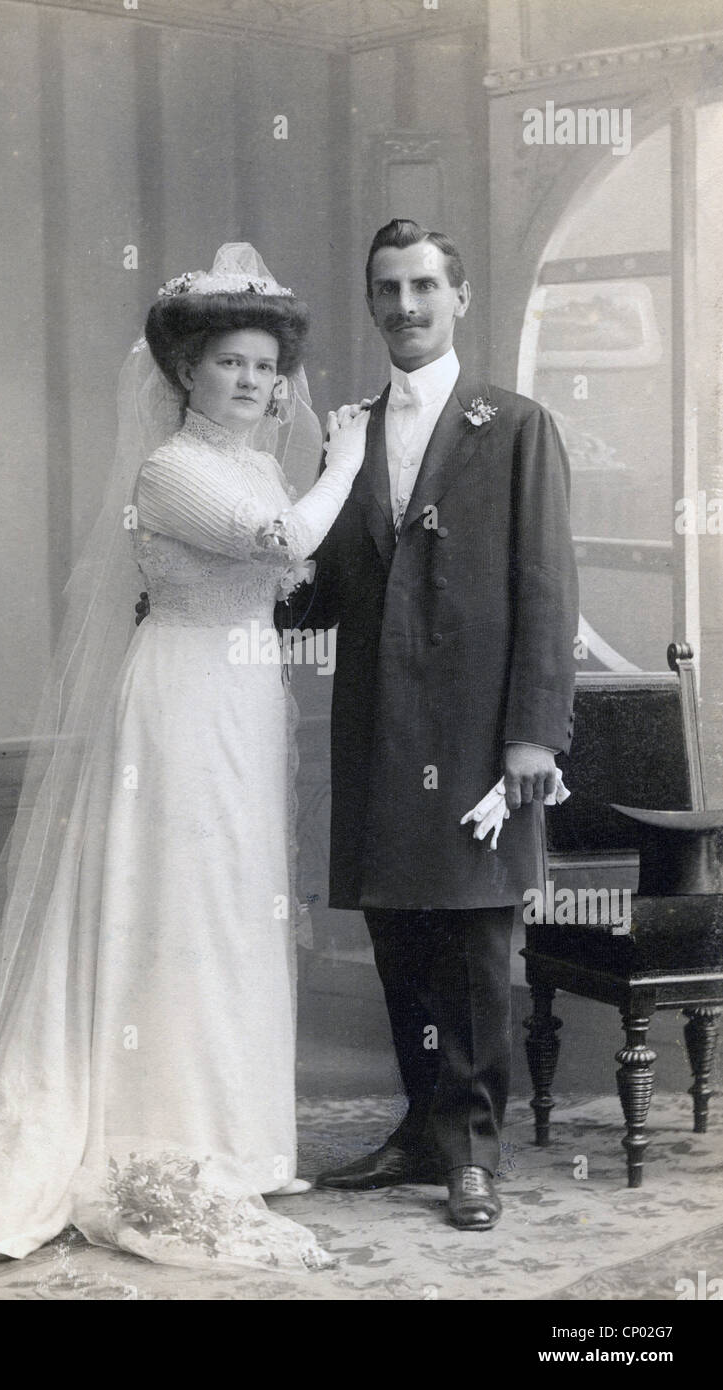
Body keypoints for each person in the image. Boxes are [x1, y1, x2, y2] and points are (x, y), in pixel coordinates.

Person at [0, 245, 368, 1272]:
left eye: (265, 365)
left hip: (243, 695)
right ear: (185, 373)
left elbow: (286, 559)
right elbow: (279, 538)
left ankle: (232, 1136)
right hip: (178, 699)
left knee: (231, 904)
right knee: (177, 905)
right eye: (229, 364)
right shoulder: (169, 470)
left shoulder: (255, 457)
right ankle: (155, 1131)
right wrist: (345, 462)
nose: (253, 382)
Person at [297, 220, 579, 1229]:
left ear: (458, 297)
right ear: (369, 302)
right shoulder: (349, 428)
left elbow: (546, 589)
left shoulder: (514, 425)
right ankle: (421, 1128)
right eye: (386, 289)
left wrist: (532, 738)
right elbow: (325, 586)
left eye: (422, 286)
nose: (404, 306)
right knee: (400, 940)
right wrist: (247, 569)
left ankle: (471, 1153)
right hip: (380, 730)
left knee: (469, 946)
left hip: (476, 739)